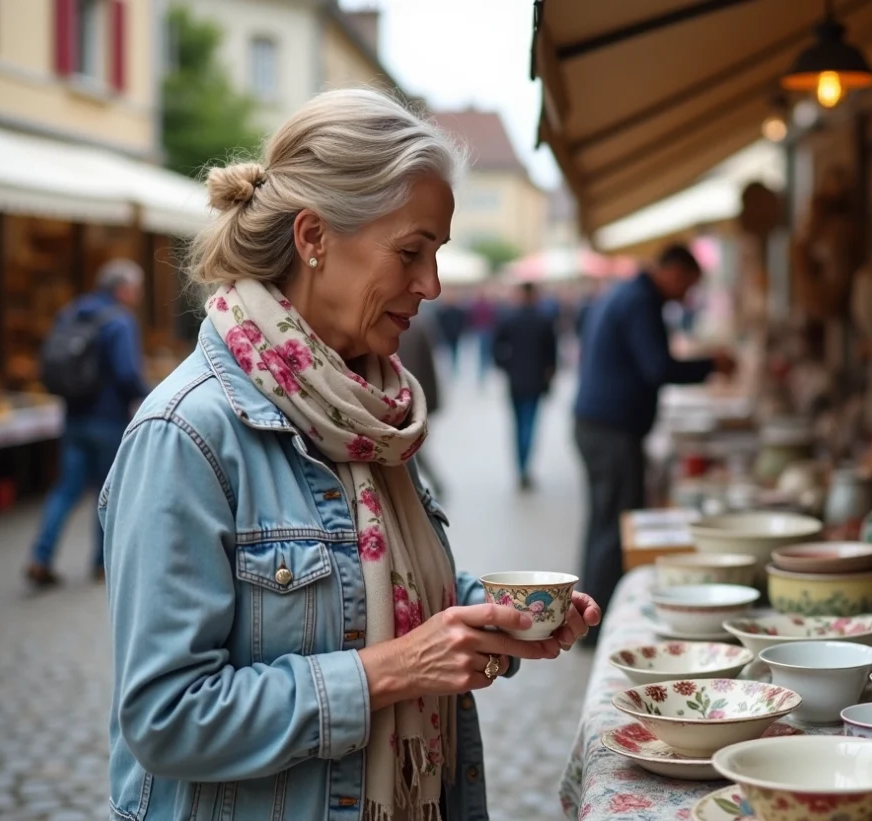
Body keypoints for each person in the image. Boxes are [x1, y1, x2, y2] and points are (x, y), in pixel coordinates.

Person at [100, 89, 600, 821]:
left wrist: (485, 613)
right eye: (411, 252)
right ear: (314, 237)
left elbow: (366, 590)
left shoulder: (363, 408)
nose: (431, 284)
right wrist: (385, 675)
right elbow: (166, 717)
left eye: (437, 255)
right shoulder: (187, 433)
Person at [573, 244, 735, 639]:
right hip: (611, 431)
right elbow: (658, 367)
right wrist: (712, 365)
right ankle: (595, 625)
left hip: (601, 425)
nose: (686, 296)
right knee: (614, 526)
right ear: (674, 272)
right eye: (688, 285)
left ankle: (587, 617)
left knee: (605, 522)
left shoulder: (633, 294)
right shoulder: (641, 300)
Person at [25, 258, 148, 587]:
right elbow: (126, 373)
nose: (137, 295)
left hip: (74, 415)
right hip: (107, 420)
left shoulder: (72, 311)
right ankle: (100, 563)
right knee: (108, 492)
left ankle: (41, 556)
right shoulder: (120, 321)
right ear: (122, 289)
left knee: (66, 488)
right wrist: (150, 396)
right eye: (135, 289)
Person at [492, 282, 558, 490]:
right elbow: (552, 356)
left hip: (516, 380)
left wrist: (506, 366)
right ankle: (525, 467)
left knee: (518, 425)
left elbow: (496, 348)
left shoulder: (510, 319)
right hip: (536, 381)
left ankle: (520, 467)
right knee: (529, 425)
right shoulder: (544, 321)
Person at [396, 301, 446, 498]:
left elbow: (428, 368)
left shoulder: (418, 326)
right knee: (412, 447)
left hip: (405, 398)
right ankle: (431, 483)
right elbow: (430, 369)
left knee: (412, 449)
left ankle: (426, 485)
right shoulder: (421, 325)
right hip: (412, 398)